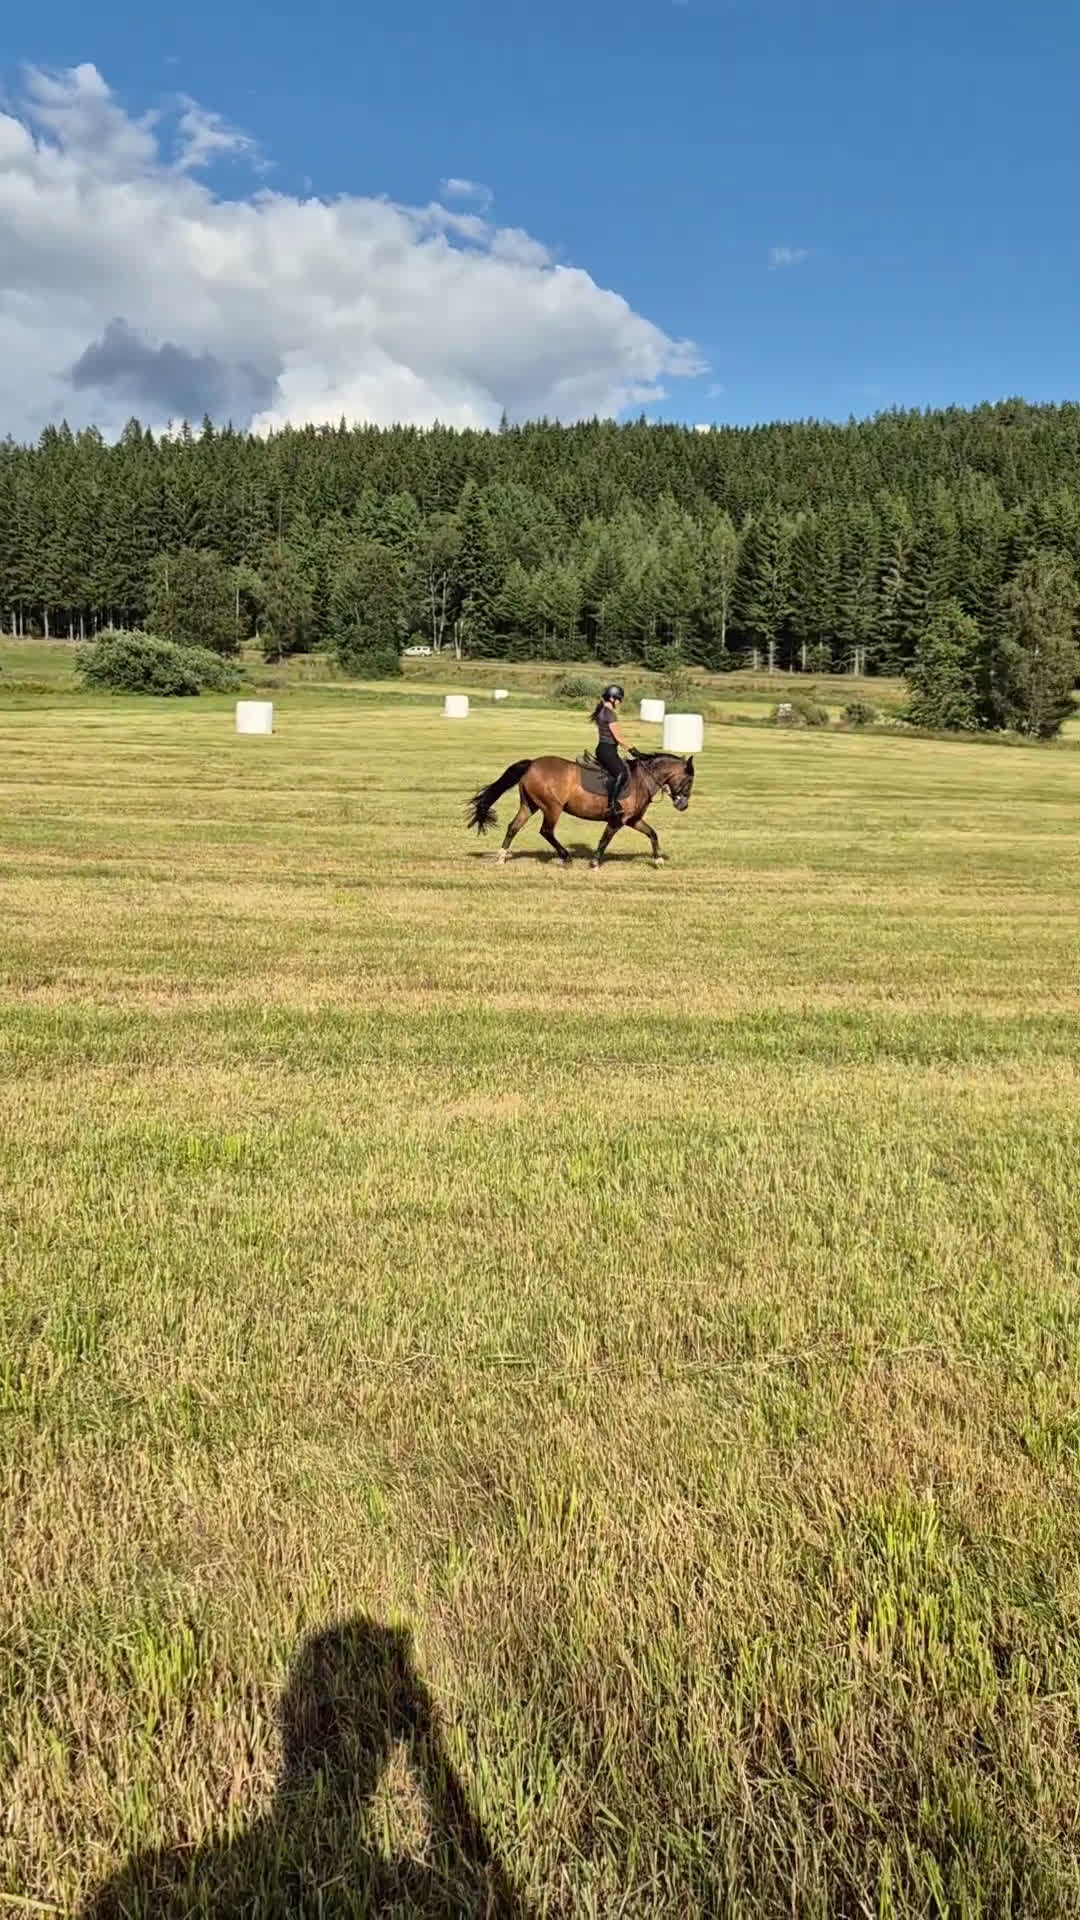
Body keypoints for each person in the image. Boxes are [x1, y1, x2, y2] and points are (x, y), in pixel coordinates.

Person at [591, 683, 632, 823]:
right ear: (613, 699)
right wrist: (632, 749)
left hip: (603, 748)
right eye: (619, 699)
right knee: (622, 773)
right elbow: (618, 738)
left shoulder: (602, 711)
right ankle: (612, 805)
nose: (619, 702)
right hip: (607, 749)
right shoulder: (610, 714)